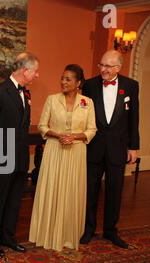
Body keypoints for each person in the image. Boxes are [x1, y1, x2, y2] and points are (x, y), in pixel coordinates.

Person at [28, 64, 97, 252]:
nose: (63, 82)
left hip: (76, 153)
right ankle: (46, 234)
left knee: (71, 192)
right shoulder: (52, 100)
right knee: (53, 189)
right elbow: (42, 126)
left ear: (78, 83)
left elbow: (91, 130)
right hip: (54, 150)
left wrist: (74, 137)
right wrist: (57, 135)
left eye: (68, 79)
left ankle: (67, 236)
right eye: (62, 78)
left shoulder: (87, 103)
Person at [0, 52, 39, 257]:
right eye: (35, 71)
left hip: (21, 157)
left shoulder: (26, 93)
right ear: (25, 70)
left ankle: (8, 237)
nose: (37, 75)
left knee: (14, 200)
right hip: (1, 156)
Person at [80, 50, 140, 249]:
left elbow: (134, 118)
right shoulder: (88, 85)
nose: (103, 69)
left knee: (115, 190)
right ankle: (88, 229)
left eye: (108, 66)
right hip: (94, 147)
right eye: (101, 65)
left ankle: (110, 231)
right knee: (90, 190)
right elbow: (83, 116)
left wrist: (134, 147)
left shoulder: (131, 86)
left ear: (118, 68)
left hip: (118, 147)